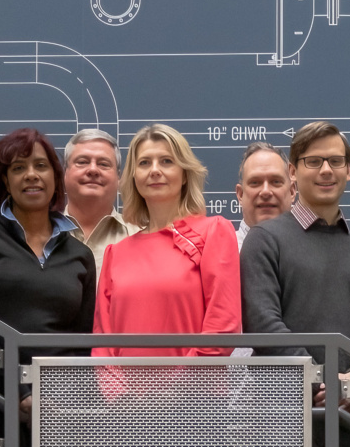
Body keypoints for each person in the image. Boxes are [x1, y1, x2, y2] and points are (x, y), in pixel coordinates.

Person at [241, 122, 350, 346]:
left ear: (348, 170)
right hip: (288, 372)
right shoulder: (264, 241)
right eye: (313, 161)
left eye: (336, 161)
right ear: (292, 172)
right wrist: (313, 369)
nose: (326, 170)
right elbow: (262, 324)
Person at [93, 125, 240, 354]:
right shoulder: (115, 254)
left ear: (184, 175)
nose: (154, 170)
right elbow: (102, 345)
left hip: (195, 379)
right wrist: (115, 380)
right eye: (144, 163)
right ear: (133, 176)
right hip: (125, 380)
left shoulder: (213, 232)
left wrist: (176, 379)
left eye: (166, 161)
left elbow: (222, 329)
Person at [0, 129, 96, 334]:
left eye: (41, 166)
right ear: (6, 182)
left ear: (56, 178)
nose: (31, 175)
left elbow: (84, 337)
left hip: (61, 357)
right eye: (18, 168)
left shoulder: (81, 254)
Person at [63, 129, 133, 263]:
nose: (93, 170)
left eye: (103, 164)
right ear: (65, 172)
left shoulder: (142, 235)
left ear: (118, 178)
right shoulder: (39, 236)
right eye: (82, 162)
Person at [233, 142, 292, 246]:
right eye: (255, 183)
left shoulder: (314, 249)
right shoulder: (219, 252)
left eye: (276, 182)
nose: (265, 191)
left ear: (292, 191)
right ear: (240, 194)